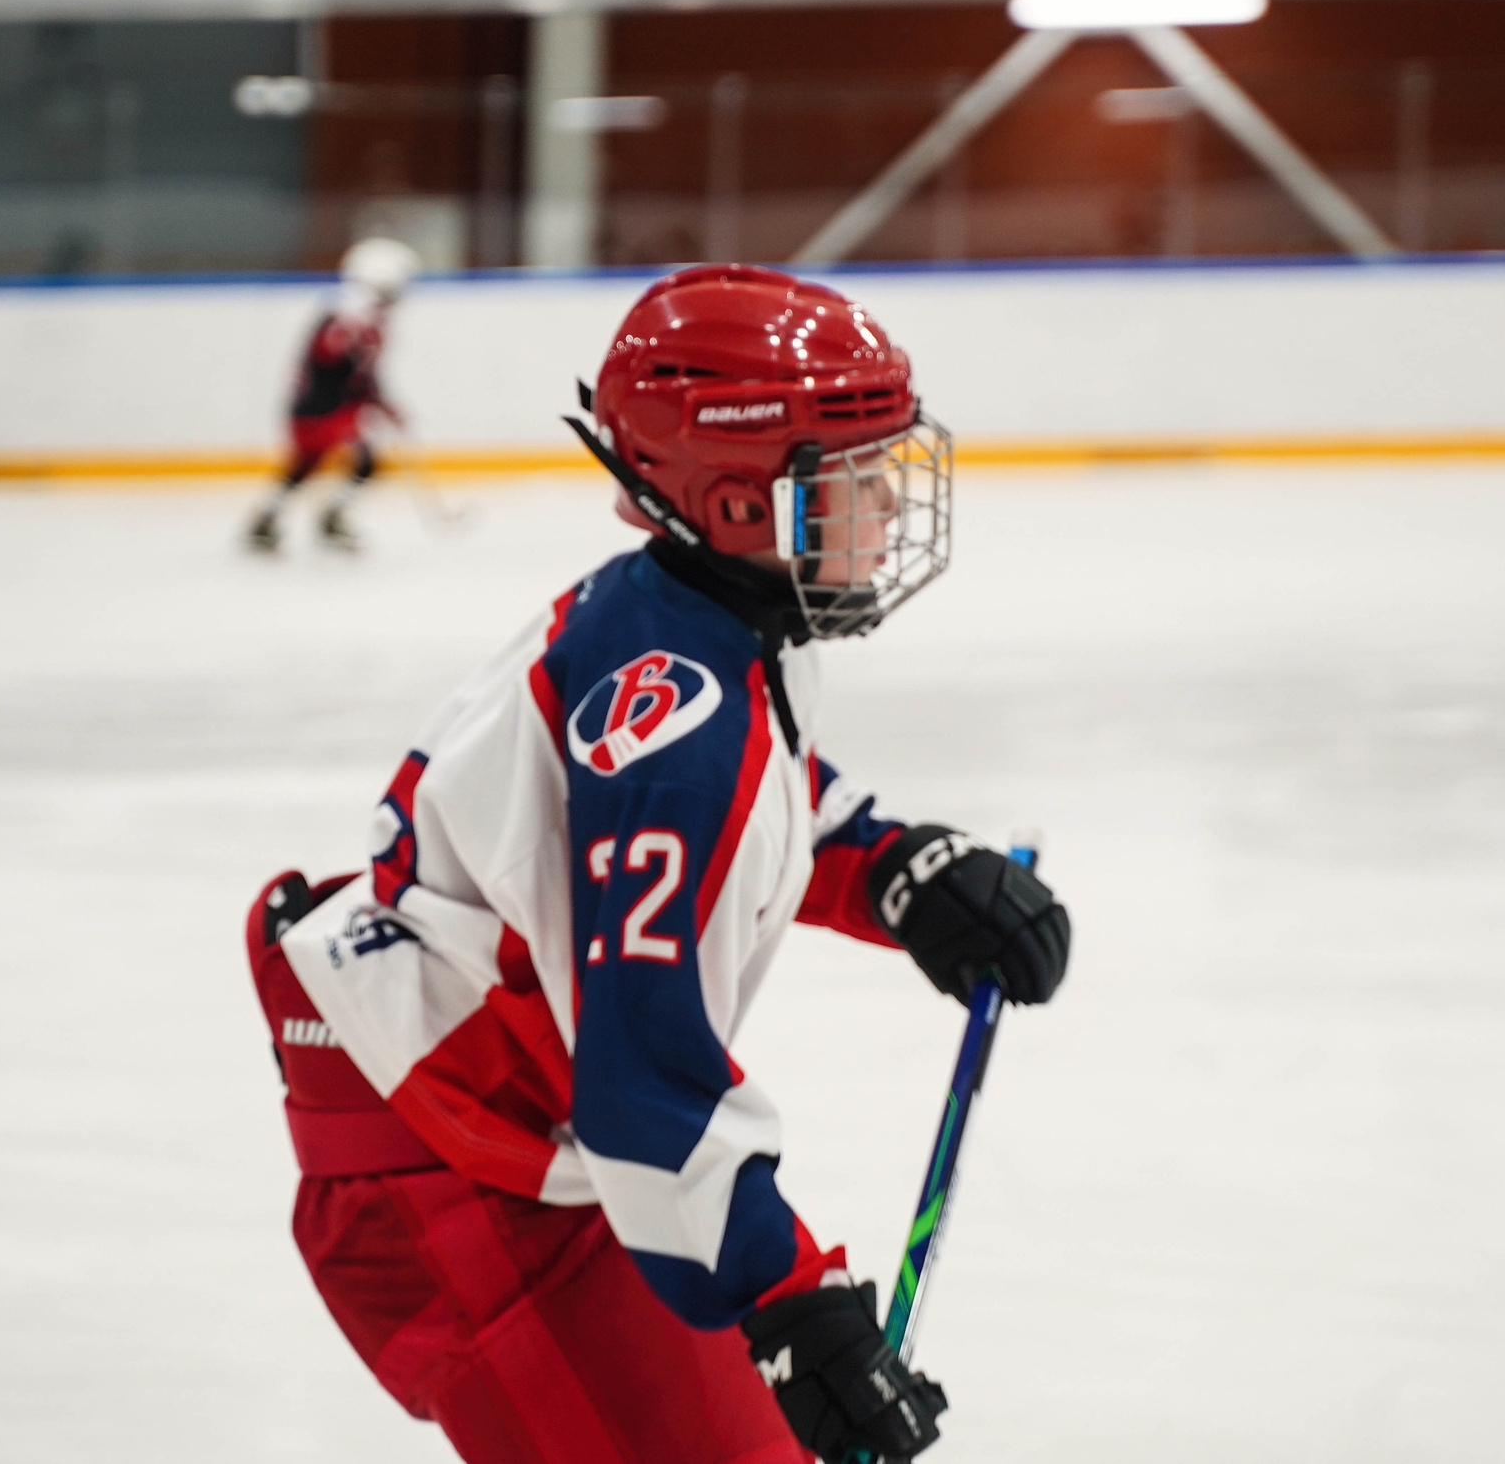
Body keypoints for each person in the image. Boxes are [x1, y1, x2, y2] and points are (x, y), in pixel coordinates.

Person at [241, 265, 1073, 1464]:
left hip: (505, 1130)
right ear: (741, 504)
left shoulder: (688, 619)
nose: (890, 509)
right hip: (461, 1182)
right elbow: (644, 1093)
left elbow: (766, 792)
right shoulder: (677, 729)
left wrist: (898, 869)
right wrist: (790, 1305)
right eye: (855, 480)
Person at [247, 236, 420, 555]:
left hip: (325, 407)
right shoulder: (347, 317)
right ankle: (325, 517)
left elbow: (363, 373)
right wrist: (371, 394)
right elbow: (331, 360)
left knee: (317, 465)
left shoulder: (359, 317)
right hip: (324, 408)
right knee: (346, 464)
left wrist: (383, 404)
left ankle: (273, 519)